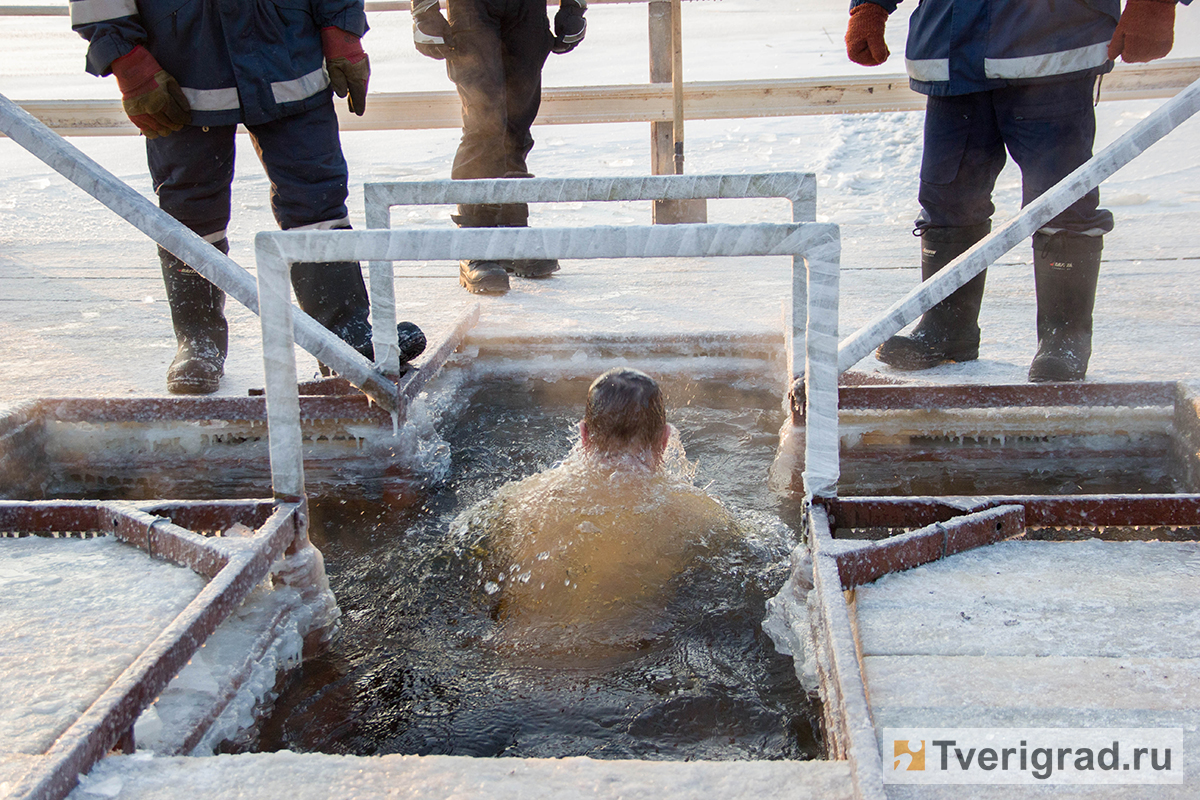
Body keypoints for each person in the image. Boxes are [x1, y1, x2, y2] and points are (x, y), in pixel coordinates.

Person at [71, 0, 425, 394]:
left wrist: (341, 27)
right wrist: (126, 59)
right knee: (189, 211)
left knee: (316, 197)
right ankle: (197, 339)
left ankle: (344, 329)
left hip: (286, 49)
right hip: (181, 59)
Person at [845, 0, 1186, 382]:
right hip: (950, 51)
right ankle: (946, 329)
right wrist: (869, 7)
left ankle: (1064, 339)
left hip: (1053, 49)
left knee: (1061, 201)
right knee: (947, 198)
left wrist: (1154, 4)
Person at [454, 368, 742, 655]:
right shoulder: (696, 513)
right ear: (666, 441)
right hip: (616, 668)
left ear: (584, 436)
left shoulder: (519, 499)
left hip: (508, 658)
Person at [411, 0, 587, 294]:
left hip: (527, 10)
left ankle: (511, 229)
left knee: (518, 120)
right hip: (472, 8)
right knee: (484, 121)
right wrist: (424, 11)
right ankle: (476, 242)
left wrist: (573, 8)